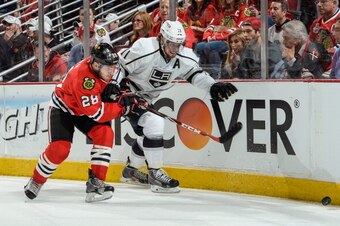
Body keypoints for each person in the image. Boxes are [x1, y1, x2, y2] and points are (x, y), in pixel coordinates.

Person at [114, 20, 238, 193]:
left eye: (178, 44)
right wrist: (115, 87)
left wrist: (212, 85)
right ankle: (155, 174)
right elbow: (119, 66)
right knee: (155, 123)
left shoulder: (183, 55)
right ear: (161, 39)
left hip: (146, 98)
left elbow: (195, 74)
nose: (175, 49)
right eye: (171, 44)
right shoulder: (145, 48)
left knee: (149, 134)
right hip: (127, 93)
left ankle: (130, 172)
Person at [24, 43, 144, 202]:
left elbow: (111, 84)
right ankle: (36, 180)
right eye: (109, 68)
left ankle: (96, 183)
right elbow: (98, 114)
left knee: (105, 134)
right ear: (96, 64)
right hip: (64, 108)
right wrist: (122, 107)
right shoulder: (84, 79)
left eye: (113, 67)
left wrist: (118, 90)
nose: (112, 71)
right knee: (60, 149)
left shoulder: (100, 66)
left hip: (85, 109)